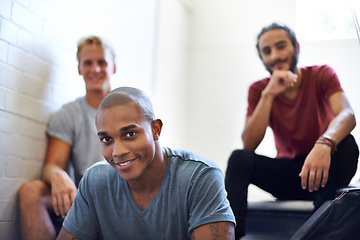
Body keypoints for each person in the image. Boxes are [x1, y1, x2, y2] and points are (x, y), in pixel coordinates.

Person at [225, 22, 359, 239]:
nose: (275, 56)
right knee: (239, 158)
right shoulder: (259, 90)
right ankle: (232, 235)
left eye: (281, 46)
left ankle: (318, 232)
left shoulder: (321, 74)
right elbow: (248, 144)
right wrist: (269, 95)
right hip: (290, 175)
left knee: (347, 144)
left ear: (296, 47)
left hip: (325, 168)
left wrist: (324, 143)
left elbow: (347, 115)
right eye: (267, 51)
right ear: (262, 58)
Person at [56, 87, 236, 240]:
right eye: (107, 139)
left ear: (155, 129)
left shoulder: (200, 177)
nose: (117, 152)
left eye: (130, 134)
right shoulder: (95, 180)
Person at [18, 35, 117, 240]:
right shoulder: (68, 115)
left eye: (102, 62)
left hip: (123, 197)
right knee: (31, 191)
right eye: (88, 63)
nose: (95, 69)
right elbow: (52, 165)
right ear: (79, 68)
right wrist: (58, 175)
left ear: (113, 67)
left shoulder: (129, 109)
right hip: (82, 200)